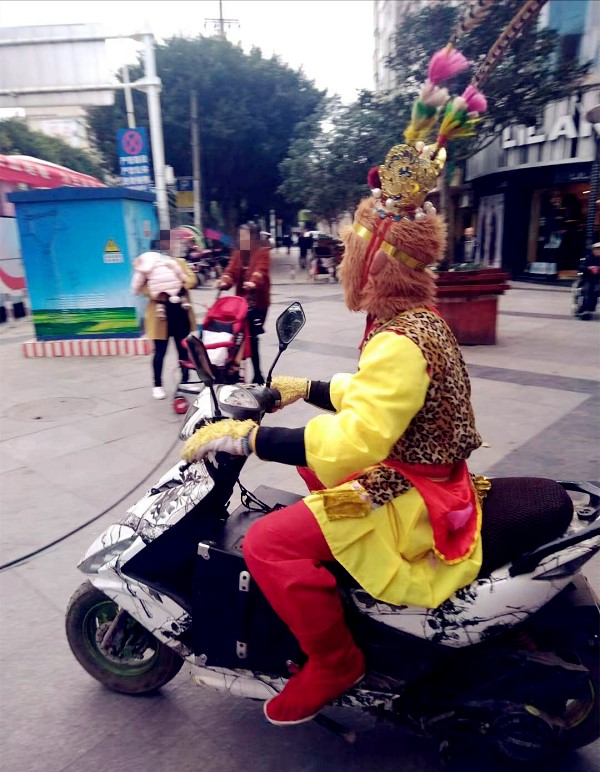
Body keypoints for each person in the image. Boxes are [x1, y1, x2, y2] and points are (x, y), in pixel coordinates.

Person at [181, 43, 488, 726]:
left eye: (353, 247)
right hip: (419, 474)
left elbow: (357, 440)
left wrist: (251, 434)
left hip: (410, 492)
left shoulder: (404, 338)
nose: (345, 256)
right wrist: (302, 385)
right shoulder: (408, 322)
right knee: (304, 509)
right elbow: (370, 397)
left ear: (374, 261)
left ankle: (335, 661)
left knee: (268, 542)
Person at [132, 232, 198, 400]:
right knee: (160, 352)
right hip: (160, 315)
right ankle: (157, 385)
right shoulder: (149, 265)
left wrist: (177, 284)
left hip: (180, 311)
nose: (171, 245)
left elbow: (192, 280)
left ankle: (185, 381)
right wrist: (158, 292)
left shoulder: (179, 263)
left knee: (183, 350)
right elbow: (143, 289)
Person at [217, 223, 271, 384]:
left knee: (252, 337)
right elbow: (230, 271)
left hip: (258, 303)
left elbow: (261, 270)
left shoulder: (263, 252)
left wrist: (253, 282)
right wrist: (224, 281)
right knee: (236, 335)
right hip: (241, 303)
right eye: (240, 236)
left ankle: (258, 374)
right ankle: (233, 369)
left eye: (245, 236)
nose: (242, 239)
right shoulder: (238, 253)